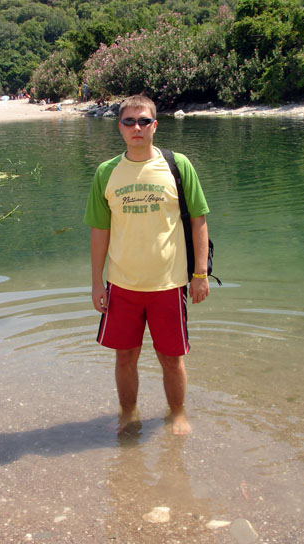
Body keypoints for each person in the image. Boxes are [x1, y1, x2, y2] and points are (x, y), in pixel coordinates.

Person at [84, 95, 210, 435]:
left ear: (155, 125)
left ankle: (178, 413)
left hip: (168, 284)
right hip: (122, 285)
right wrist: (96, 282)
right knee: (124, 357)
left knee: (172, 358)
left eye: (143, 121)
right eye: (129, 121)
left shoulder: (177, 165)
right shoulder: (106, 172)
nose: (136, 127)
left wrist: (200, 274)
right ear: (120, 127)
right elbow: (100, 230)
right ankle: (128, 414)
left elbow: (198, 220)